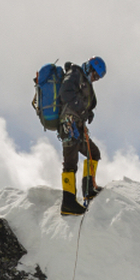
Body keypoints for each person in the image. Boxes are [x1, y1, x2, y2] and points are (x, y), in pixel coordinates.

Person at [50, 56, 106, 215]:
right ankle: (68, 203)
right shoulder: (75, 73)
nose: (95, 79)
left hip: (77, 127)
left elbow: (81, 102)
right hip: (68, 124)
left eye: (97, 78)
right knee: (71, 162)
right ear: (89, 67)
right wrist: (82, 110)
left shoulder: (84, 82)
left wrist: (88, 113)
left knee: (94, 153)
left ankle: (88, 188)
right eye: (95, 75)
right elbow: (65, 92)